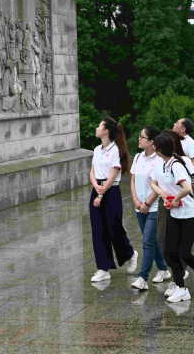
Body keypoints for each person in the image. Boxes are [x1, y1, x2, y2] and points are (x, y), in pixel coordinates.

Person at [150, 132, 194, 303]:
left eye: (155, 145)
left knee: (184, 252)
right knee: (169, 252)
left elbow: (187, 187)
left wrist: (175, 199)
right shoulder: (162, 164)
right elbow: (154, 183)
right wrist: (166, 196)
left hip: (190, 214)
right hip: (175, 214)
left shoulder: (176, 165)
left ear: (159, 149)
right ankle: (181, 289)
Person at [88, 117, 137, 283]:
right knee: (98, 230)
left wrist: (101, 193)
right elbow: (92, 171)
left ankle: (130, 253)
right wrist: (96, 186)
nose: (96, 128)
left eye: (99, 126)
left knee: (114, 227)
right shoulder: (97, 149)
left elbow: (113, 173)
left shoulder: (115, 150)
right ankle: (103, 268)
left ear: (106, 131)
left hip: (111, 191)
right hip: (97, 188)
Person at [130, 126, 171, 290]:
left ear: (152, 142)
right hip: (139, 206)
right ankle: (163, 269)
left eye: (142, 137)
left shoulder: (159, 160)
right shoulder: (138, 157)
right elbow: (132, 179)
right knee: (152, 241)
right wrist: (135, 200)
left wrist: (147, 203)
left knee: (147, 241)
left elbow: (159, 184)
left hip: (154, 207)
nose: (139, 139)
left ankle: (143, 278)